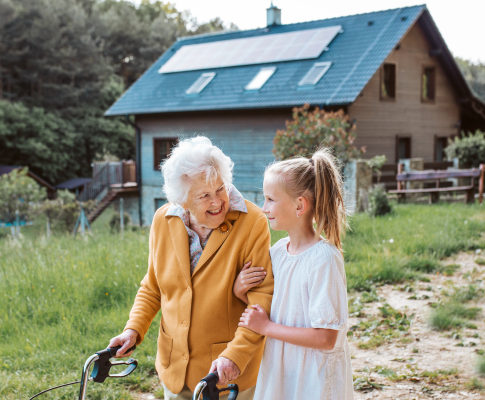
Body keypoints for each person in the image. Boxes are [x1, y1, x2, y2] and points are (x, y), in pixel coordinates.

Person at [107, 136, 274, 400]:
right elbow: (153, 287)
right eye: (204, 195)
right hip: (174, 369)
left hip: (224, 373)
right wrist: (133, 329)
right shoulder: (163, 220)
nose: (217, 201)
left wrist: (235, 355)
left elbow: (262, 300)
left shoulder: (251, 223)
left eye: (221, 188)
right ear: (183, 199)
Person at [237, 149, 354, 400]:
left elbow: (326, 338)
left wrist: (266, 327)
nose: (263, 207)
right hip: (283, 371)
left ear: (299, 205)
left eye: (270, 199)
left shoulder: (324, 259)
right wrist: (240, 290)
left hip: (314, 379)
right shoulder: (278, 252)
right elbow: (269, 303)